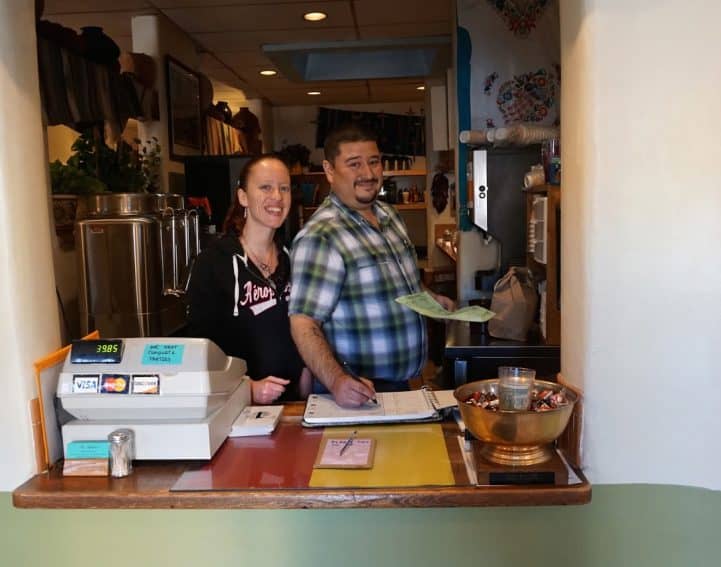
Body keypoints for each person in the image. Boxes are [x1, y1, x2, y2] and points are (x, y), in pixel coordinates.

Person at [289, 124, 454, 408]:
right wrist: (337, 381)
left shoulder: (390, 215)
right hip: (356, 391)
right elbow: (304, 322)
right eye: (354, 164)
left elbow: (404, 285)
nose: (368, 174)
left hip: (404, 384)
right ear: (329, 171)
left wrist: (432, 300)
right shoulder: (321, 236)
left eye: (374, 162)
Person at [187, 155, 310, 404]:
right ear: (243, 196)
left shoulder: (293, 257)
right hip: (239, 410)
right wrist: (247, 389)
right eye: (265, 187)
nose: (277, 196)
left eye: (284, 188)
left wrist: (310, 372)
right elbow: (200, 349)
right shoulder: (214, 263)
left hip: (297, 404)